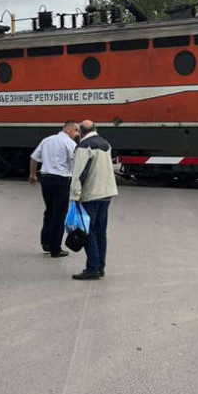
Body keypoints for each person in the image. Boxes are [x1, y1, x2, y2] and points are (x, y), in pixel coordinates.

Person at [69, 120, 118, 280]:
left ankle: (92, 268)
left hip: (91, 194)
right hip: (107, 194)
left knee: (88, 232)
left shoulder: (84, 146)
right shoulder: (106, 144)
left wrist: (74, 197)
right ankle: (100, 266)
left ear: (81, 132)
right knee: (101, 232)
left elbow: (78, 173)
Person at [29, 120, 80, 257]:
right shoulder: (70, 143)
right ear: (68, 130)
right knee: (59, 214)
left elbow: (34, 157)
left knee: (49, 210)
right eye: (76, 130)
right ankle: (55, 248)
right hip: (61, 180)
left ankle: (45, 242)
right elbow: (75, 163)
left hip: (46, 179)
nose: (77, 134)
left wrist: (33, 174)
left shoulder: (47, 140)